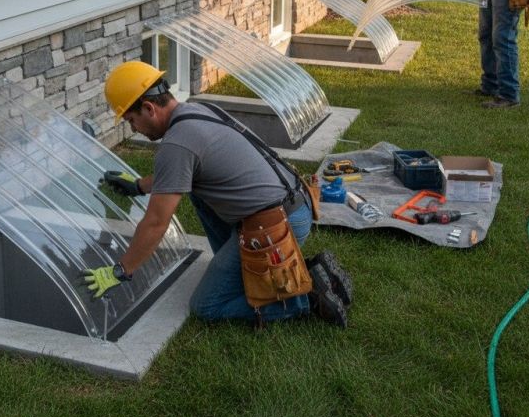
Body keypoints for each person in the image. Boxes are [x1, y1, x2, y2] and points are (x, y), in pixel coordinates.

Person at [81, 60, 350, 326]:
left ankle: (304, 297)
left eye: (131, 120)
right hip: (291, 204)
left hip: (274, 225)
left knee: (207, 306)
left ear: (149, 108)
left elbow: (155, 223)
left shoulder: (177, 144)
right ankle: (282, 270)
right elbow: (182, 173)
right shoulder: (198, 110)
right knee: (197, 192)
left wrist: (121, 270)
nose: (133, 129)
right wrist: (139, 186)